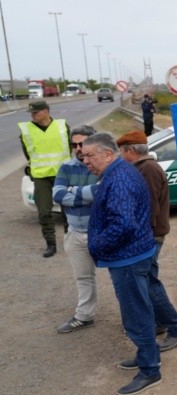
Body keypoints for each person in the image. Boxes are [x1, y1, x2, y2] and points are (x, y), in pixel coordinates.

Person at [81, 132, 163, 395]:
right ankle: (146, 355)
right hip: (133, 253)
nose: (85, 161)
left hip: (128, 258)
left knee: (136, 313)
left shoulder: (119, 179)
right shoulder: (120, 172)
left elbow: (123, 224)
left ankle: (150, 370)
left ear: (108, 154)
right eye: (83, 156)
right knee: (140, 308)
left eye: (89, 155)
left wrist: (96, 245)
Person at [116, 130, 177, 354]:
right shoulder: (141, 168)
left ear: (130, 150)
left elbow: (148, 209)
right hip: (147, 236)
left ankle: (176, 329)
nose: (120, 156)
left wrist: (138, 239)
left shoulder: (147, 169)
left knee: (149, 283)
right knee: (147, 281)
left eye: (121, 151)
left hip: (148, 237)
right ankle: (160, 322)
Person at [53, 125, 99, 333]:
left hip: (101, 232)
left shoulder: (102, 165)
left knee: (120, 277)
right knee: (83, 277)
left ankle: (132, 320)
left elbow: (101, 193)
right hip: (75, 232)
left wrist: (72, 192)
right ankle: (84, 316)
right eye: (74, 145)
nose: (78, 148)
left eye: (83, 143)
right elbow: (58, 195)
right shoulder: (66, 166)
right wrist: (85, 195)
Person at [19, 100, 71, 257]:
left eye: (35, 113)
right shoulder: (26, 130)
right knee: (44, 211)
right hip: (41, 176)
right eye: (31, 113)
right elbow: (28, 154)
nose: (33, 116)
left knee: (68, 209)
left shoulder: (62, 126)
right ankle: (50, 244)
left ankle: (71, 240)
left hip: (62, 174)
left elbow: (69, 148)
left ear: (46, 112)